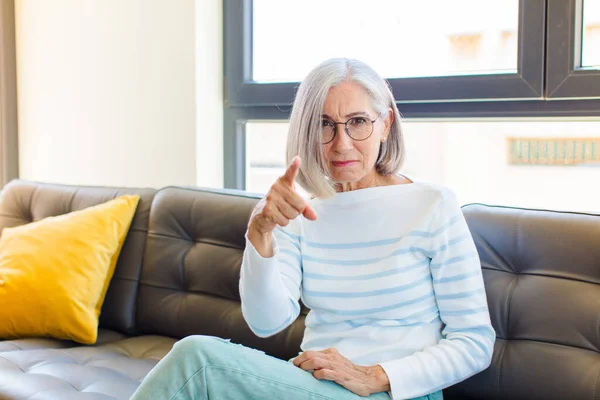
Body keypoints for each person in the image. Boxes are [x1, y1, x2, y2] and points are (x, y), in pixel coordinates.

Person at [130, 58, 495, 400]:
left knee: (200, 360)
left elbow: (474, 342)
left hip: (394, 391)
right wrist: (260, 233)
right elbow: (265, 322)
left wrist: (375, 375)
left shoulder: (432, 205)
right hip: (311, 386)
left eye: (358, 122)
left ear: (385, 124)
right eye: (324, 124)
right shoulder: (301, 214)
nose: (341, 143)